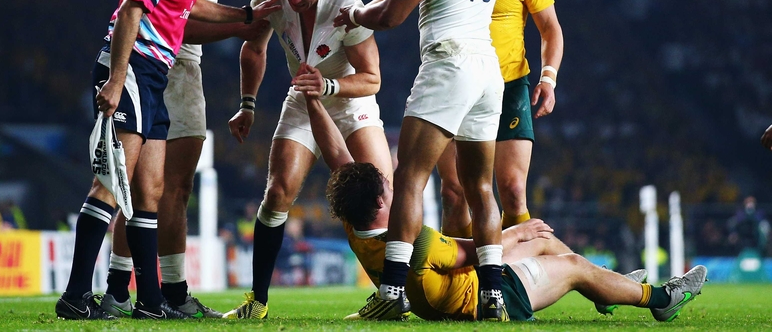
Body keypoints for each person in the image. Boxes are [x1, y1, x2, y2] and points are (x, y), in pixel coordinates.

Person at [300, 76, 707, 323]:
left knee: (546, 243)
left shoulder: (356, 226)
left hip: (453, 290)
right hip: (483, 297)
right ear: (379, 203)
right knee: (569, 264)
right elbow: (479, 252)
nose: (394, 184)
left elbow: (338, 156)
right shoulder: (414, 243)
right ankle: (662, 299)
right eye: (388, 187)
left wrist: (313, 101)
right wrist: (520, 229)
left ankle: (608, 288)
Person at [55, 0, 281, 321]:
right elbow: (130, 10)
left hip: (154, 76)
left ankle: (150, 302)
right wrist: (117, 81)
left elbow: (190, 6)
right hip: (133, 69)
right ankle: (75, 295)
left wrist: (245, 16)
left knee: (149, 191)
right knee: (112, 182)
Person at [332, 0, 506, 320]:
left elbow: (392, 14)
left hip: (450, 64)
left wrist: (354, 17)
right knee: (480, 188)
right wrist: (362, 10)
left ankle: (391, 292)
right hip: (488, 71)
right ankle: (493, 297)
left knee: (408, 175)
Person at [225, 0, 392, 319]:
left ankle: (390, 296)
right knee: (277, 191)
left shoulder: (347, 4)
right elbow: (254, 49)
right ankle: (257, 303)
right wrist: (247, 104)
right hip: (303, 97)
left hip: (348, 99)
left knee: (378, 197)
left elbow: (372, 79)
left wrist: (328, 87)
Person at [101, 0, 270, 319]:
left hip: (186, 69)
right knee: (139, 186)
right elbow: (181, 25)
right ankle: (121, 288)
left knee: (174, 189)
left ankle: (167, 292)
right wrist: (242, 22)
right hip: (162, 63)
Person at [438, 0, 565, 239]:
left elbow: (550, 29)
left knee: (511, 190)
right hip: (458, 84)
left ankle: (518, 276)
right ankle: (461, 285)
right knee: (454, 193)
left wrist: (549, 79)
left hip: (509, 85)